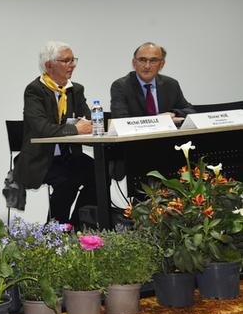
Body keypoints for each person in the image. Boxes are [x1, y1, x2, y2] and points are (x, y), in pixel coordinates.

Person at [13, 41, 96, 226]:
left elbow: (88, 122)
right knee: (69, 179)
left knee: (99, 173)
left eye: (73, 60)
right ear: (49, 65)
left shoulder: (76, 89)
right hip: (40, 159)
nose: (72, 65)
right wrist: (75, 129)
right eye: (66, 60)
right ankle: (55, 232)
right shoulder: (35, 90)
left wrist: (86, 127)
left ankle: (77, 226)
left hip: (69, 156)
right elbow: (41, 129)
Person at [109, 42, 194, 123]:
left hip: (166, 136)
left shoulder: (171, 84)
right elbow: (120, 120)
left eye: (153, 61)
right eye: (142, 60)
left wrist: (173, 113)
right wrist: (160, 120)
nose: (147, 66)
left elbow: (190, 111)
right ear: (134, 63)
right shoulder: (121, 86)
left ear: (161, 65)